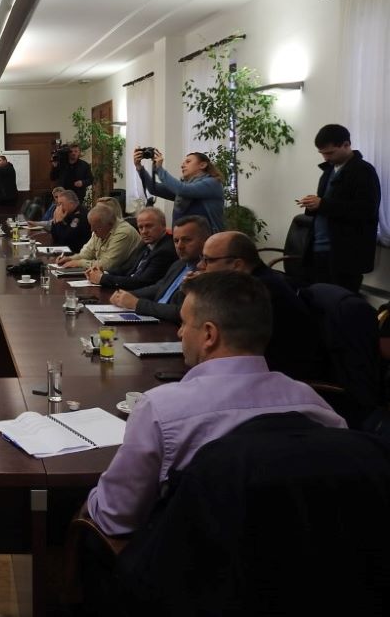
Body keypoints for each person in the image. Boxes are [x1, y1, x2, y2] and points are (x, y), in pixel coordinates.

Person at [87, 271, 345, 537]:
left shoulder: (161, 411)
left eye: (184, 323)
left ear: (209, 334)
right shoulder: (319, 409)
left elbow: (116, 517)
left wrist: (88, 501)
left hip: (189, 558)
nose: (179, 332)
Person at [194, 230, 323, 380]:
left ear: (237, 265)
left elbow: (221, 343)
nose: (200, 265)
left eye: (208, 260)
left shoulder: (254, 294)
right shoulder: (259, 280)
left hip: (279, 380)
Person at [296, 124, 381, 293]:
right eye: (322, 153)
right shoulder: (328, 170)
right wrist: (313, 205)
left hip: (346, 254)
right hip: (319, 248)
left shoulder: (364, 171)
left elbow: (366, 210)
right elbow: (328, 204)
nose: (326, 158)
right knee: (319, 299)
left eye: (330, 153)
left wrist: (323, 204)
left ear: (346, 145)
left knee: (340, 302)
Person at [110, 215, 210, 323]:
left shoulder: (208, 272)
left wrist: (137, 304)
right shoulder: (179, 264)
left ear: (206, 240)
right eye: (176, 241)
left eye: (187, 240)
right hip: (155, 319)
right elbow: (159, 287)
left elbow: (181, 312)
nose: (180, 246)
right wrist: (126, 295)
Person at [86, 206, 177, 290]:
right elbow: (126, 268)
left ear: (163, 226)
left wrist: (102, 278)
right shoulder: (145, 244)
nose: (144, 231)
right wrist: (103, 272)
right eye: (140, 227)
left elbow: (141, 283)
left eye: (149, 226)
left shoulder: (165, 250)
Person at [135, 148, 224, 233]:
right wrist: (139, 166)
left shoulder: (213, 182)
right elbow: (153, 189)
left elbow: (182, 190)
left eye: (188, 162)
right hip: (183, 238)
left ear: (203, 165)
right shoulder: (184, 186)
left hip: (207, 239)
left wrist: (159, 169)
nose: (182, 166)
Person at [56, 203, 142, 272]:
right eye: (91, 225)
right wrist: (70, 259)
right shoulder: (98, 229)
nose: (92, 230)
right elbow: (87, 253)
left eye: (96, 227)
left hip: (124, 278)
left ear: (109, 224)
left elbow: (107, 265)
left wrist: (78, 263)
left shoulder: (123, 233)